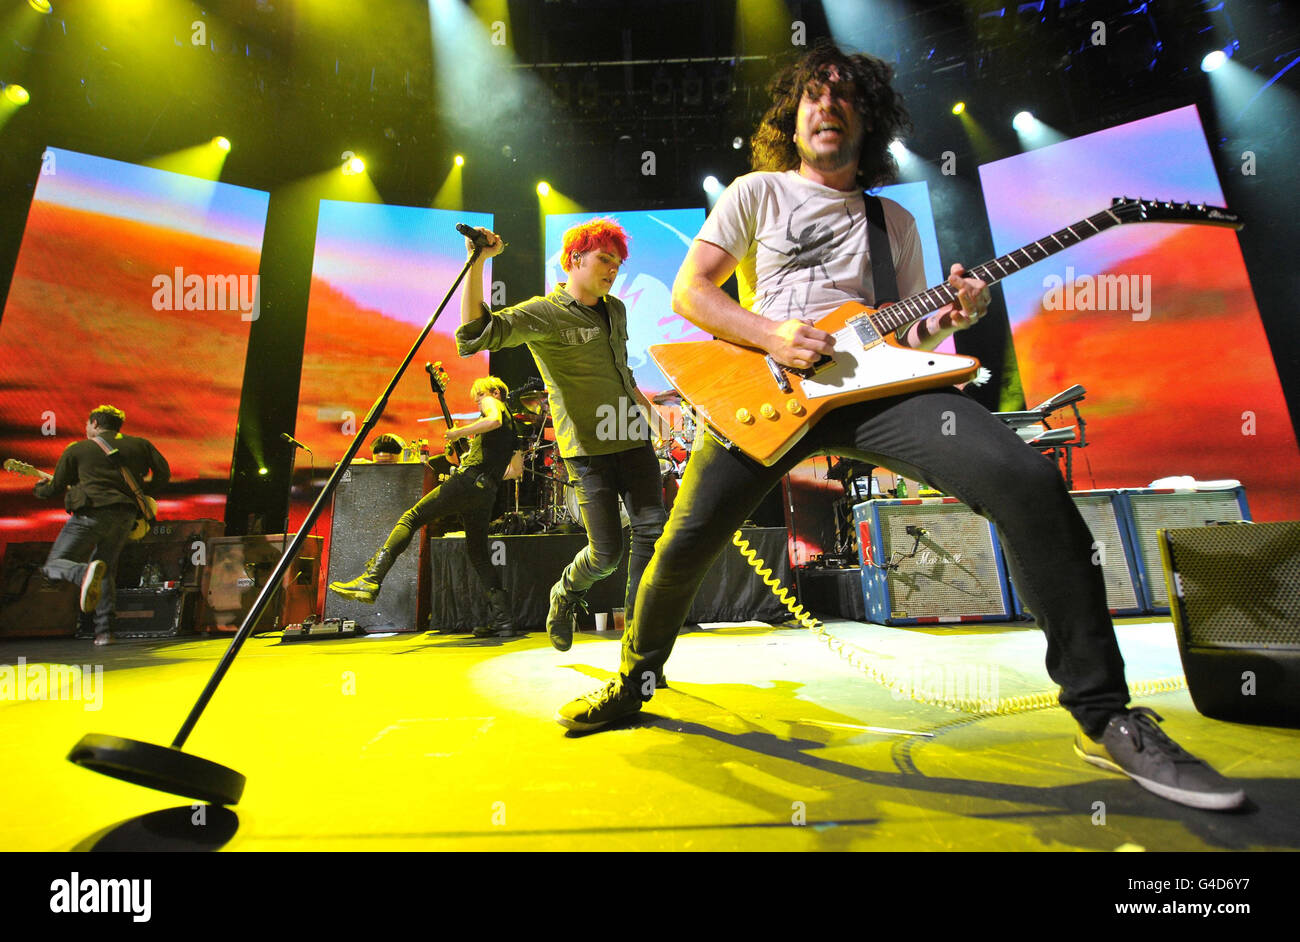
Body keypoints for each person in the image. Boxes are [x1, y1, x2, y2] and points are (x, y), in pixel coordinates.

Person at [555, 40, 1244, 812]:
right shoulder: (757, 192)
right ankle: (635, 679)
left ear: (867, 118)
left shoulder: (894, 223)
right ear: (794, 114)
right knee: (679, 551)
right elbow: (692, 294)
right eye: (813, 95)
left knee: (1023, 478)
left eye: (845, 95)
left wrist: (954, 315)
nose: (827, 106)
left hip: (875, 396)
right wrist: (773, 335)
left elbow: (906, 340)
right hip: (768, 389)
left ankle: (1101, 713)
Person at [456, 219, 668, 653]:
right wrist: (476, 261)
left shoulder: (617, 309)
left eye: (618, 262)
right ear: (574, 259)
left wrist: (652, 415)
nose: (613, 269)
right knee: (606, 554)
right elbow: (474, 335)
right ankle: (566, 593)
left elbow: (622, 373)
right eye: (604, 258)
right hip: (588, 449)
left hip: (631, 435)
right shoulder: (544, 312)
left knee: (651, 531)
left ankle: (639, 645)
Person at [329, 376, 521, 637]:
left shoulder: (492, 404)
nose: (477, 401)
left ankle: (371, 579)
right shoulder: (515, 433)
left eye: (479, 395)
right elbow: (515, 471)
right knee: (478, 554)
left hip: (467, 483)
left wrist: (459, 432)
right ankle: (504, 621)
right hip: (486, 493)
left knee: (411, 517)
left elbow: (493, 419)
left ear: (495, 392)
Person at [34, 405, 170, 645]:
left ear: (95, 423)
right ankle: (105, 632)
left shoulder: (77, 449)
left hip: (91, 513)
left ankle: (82, 573)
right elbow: (163, 473)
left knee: (54, 564)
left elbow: (55, 488)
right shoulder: (140, 444)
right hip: (125, 516)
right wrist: (143, 492)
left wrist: (39, 488)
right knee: (105, 568)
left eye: (87, 424)